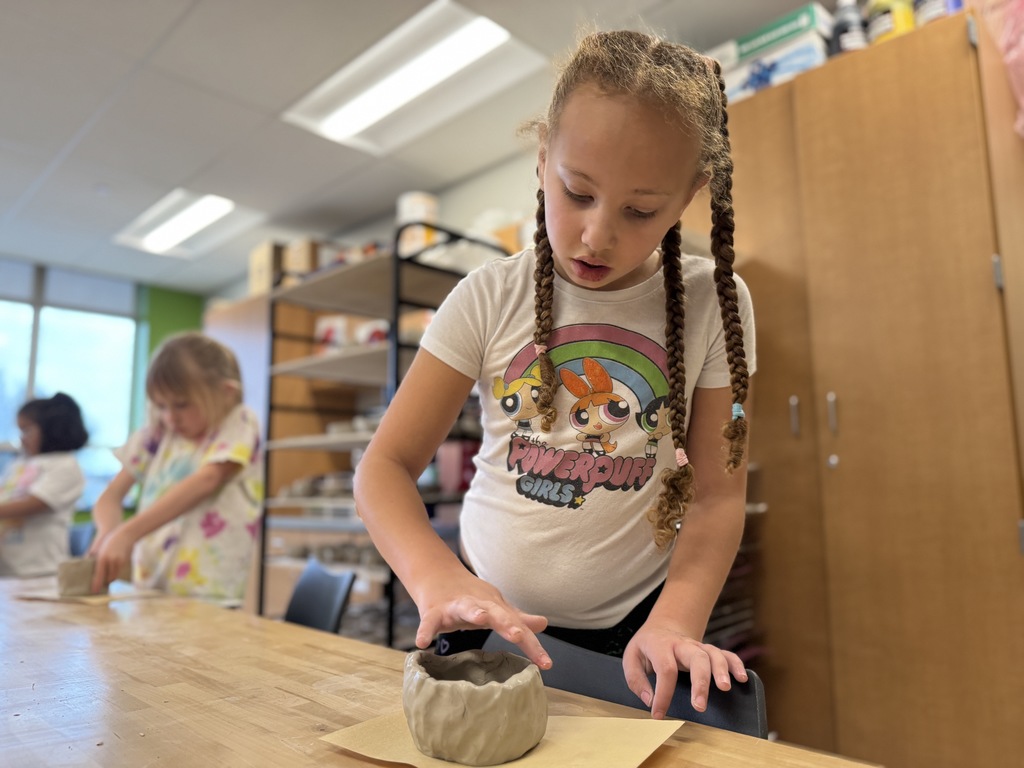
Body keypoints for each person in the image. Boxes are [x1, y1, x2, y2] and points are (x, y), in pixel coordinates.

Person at [354, 29, 755, 721]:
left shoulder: (714, 302)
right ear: (543, 161)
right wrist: (436, 577)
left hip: (637, 627)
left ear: (689, 196)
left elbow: (718, 499)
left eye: (639, 210)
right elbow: (384, 466)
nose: (598, 234)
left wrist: (677, 621)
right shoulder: (486, 297)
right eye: (577, 192)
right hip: (481, 611)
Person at [89, 332, 263, 600]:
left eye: (181, 405)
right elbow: (111, 497)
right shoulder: (156, 435)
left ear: (226, 393)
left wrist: (127, 533)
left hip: (207, 589)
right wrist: (107, 533)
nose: (170, 417)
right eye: (160, 405)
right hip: (150, 582)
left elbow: (207, 480)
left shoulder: (238, 422)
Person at [0, 393, 89, 577]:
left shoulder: (65, 465)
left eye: (27, 430)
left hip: (41, 571)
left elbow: (36, 503)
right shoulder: (20, 464)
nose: (22, 438)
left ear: (51, 429)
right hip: (8, 570)